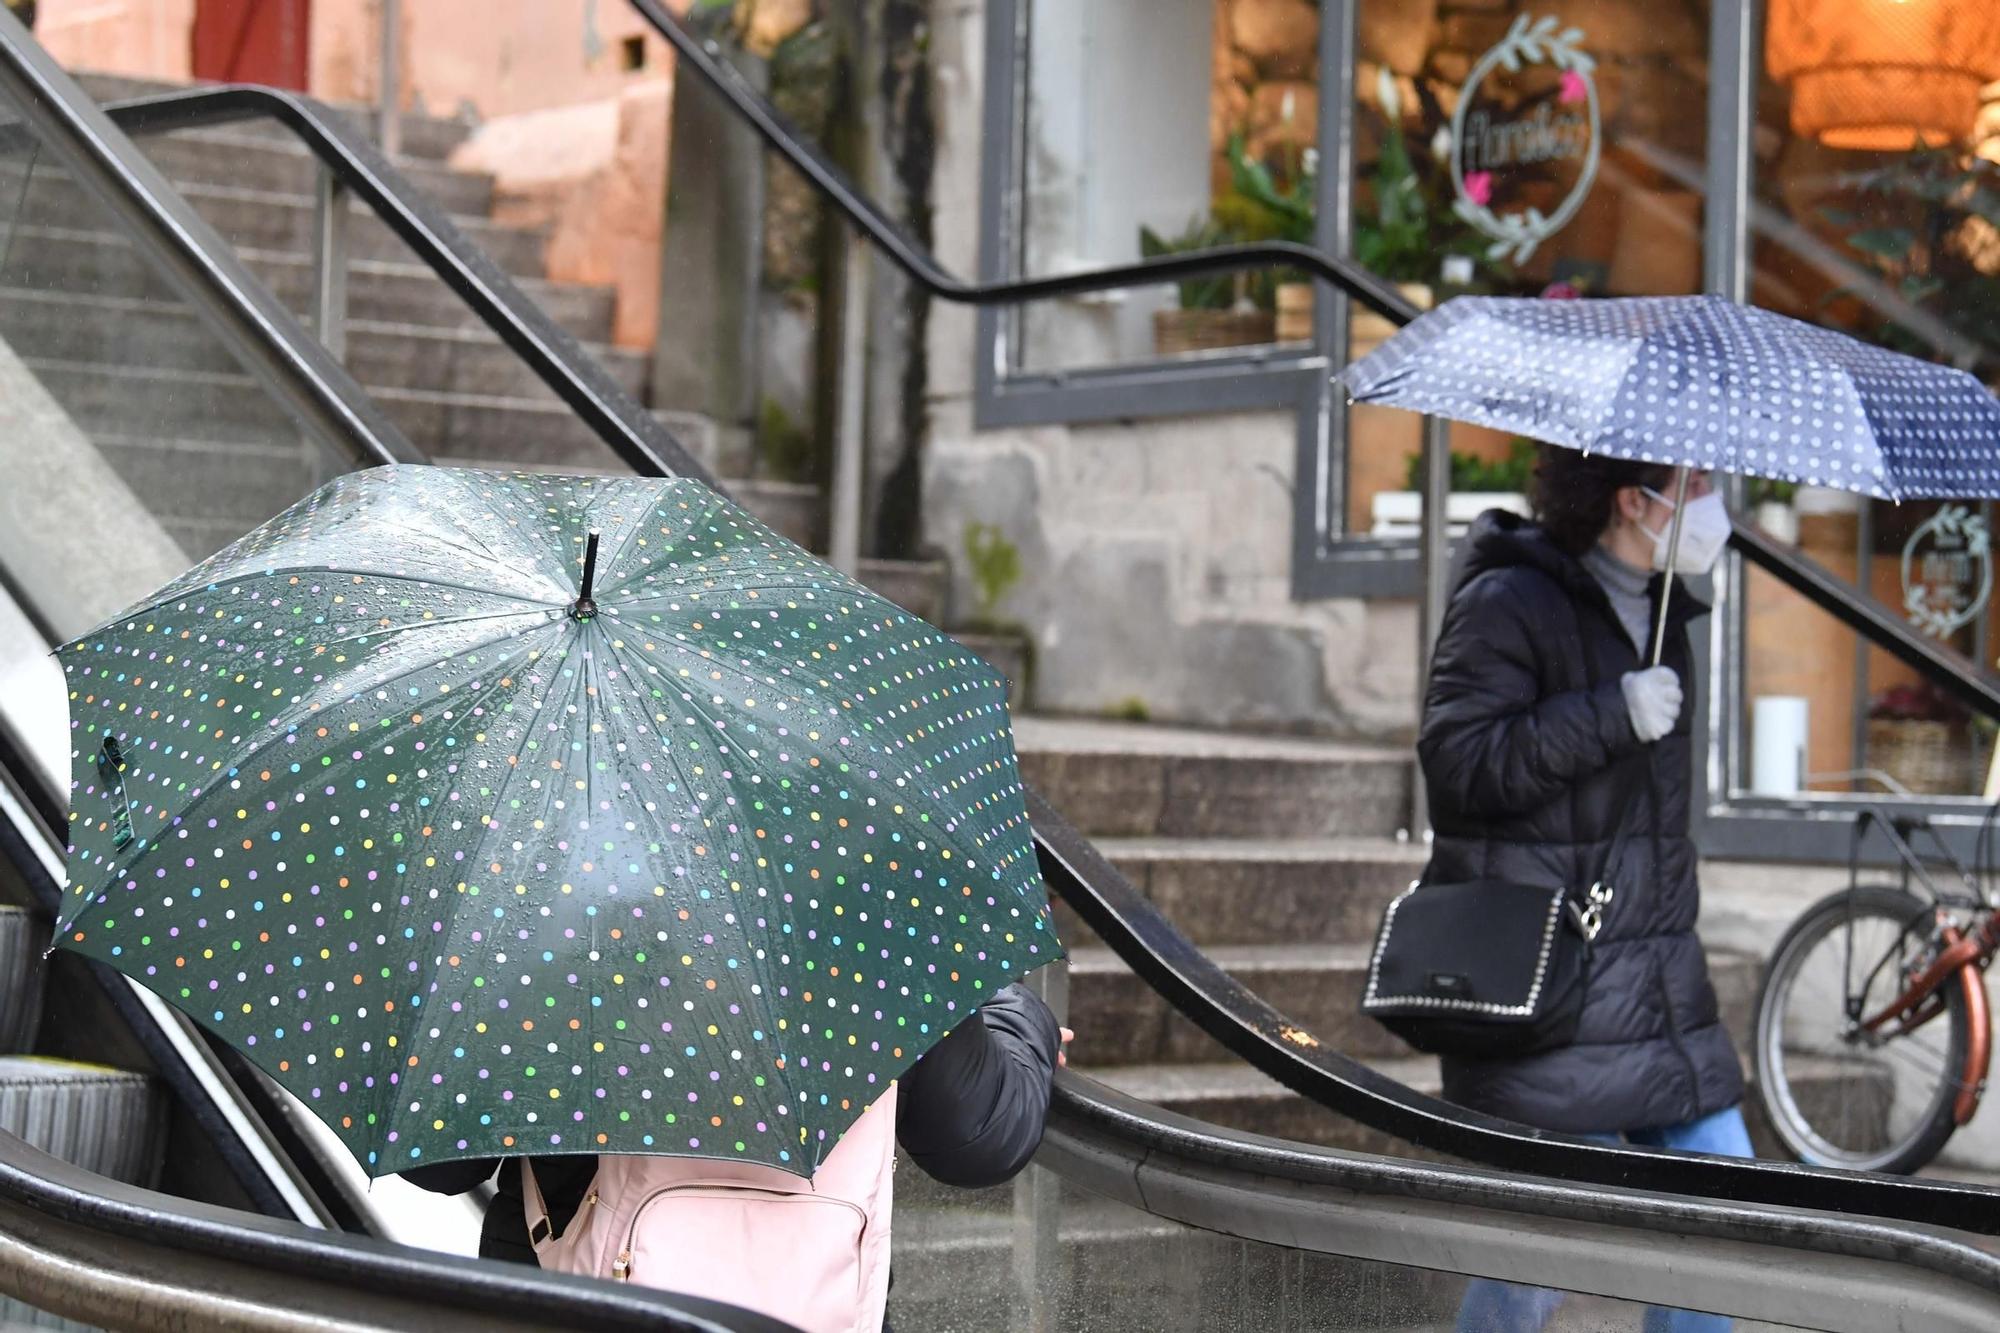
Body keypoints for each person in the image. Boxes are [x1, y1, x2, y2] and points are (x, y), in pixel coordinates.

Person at [1419, 447, 1749, 1333]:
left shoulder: (1668, 614)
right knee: (1534, 1263)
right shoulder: (1508, 601)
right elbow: (1458, 764)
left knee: (1727, 1233)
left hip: (1654, 984)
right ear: (1632, 502)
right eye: (1697, 486)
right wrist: (1610, 711)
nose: (1714, 504)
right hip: (1546, 985)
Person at [404, 982, 1067, 1269]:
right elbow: (977, 1134)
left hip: (559, 1290)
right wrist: (1016, 1012)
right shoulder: (849, 873)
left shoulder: (531, 877)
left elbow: (442, 1164)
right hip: (800, 1294)